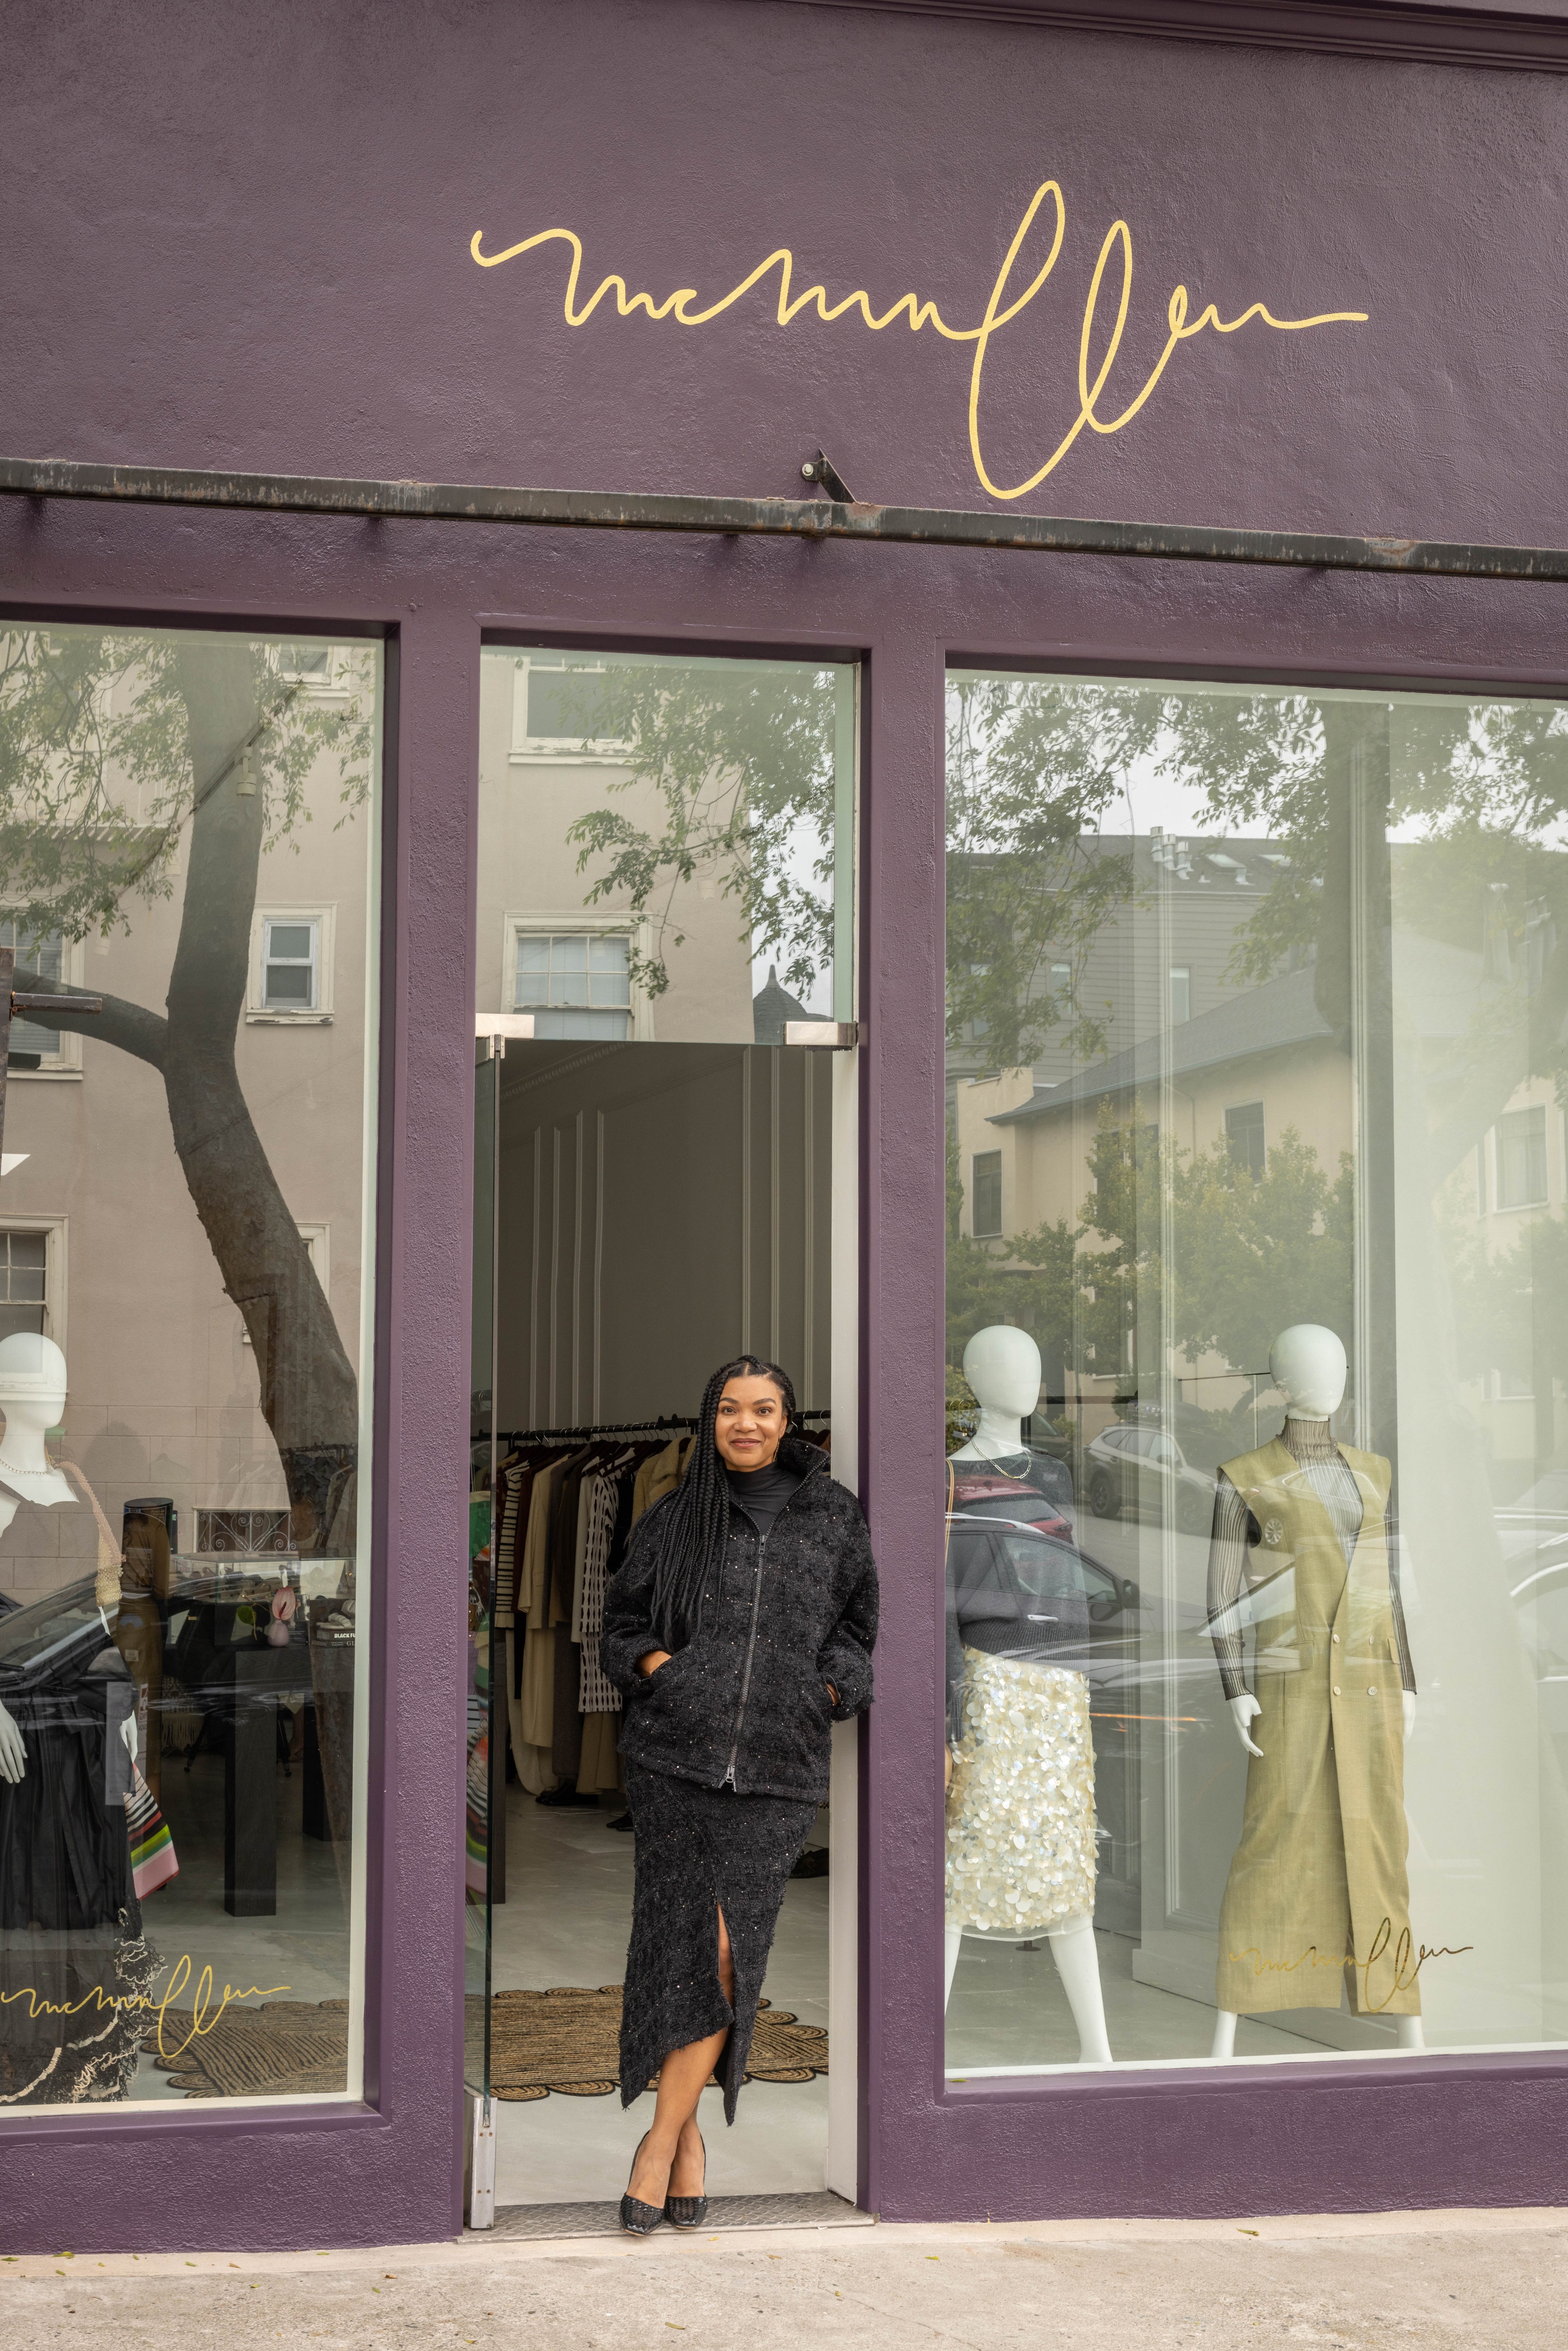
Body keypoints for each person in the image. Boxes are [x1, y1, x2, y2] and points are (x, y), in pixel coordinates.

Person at [600, 1355, 878, 2234]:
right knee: (679, 1945)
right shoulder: (676, 1514)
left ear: (789, 1420)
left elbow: (860, 1631)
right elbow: (621, 1624)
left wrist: (827, 1689)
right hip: (674, 1763)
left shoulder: (835, 1517)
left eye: (764, 1409)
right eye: (730, 1408)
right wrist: (663, 1672)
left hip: (776, 1769)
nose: (746, 1423)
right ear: (709, 1419)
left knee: (728, 1952)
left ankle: (657, 2141)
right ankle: (688, 2148)